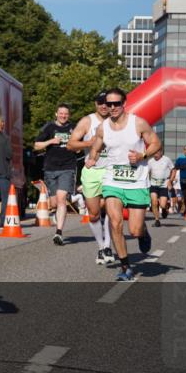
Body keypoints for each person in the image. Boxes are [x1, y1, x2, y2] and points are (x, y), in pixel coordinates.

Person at [86, 88, 161, 282]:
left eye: (116, 104)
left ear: (124, 103)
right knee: (115, 222)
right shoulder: (103, 127)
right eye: (108, 104)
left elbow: (155, 143)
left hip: (136, 182)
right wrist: (92, 158)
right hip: (112, 181)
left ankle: (143, 232)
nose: (112, 107)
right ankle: (125, 266)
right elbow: (96, 146)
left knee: (134, 230)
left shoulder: (138, 123)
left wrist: (142, 155)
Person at [66, 92, 114, 264]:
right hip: (92, 171)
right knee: (93, 214)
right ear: (95, 104)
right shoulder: (87, 121)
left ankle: (108, 246)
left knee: (111, 209)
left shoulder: (118, 120)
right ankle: (101, 247)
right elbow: (71, 144)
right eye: (100, 103)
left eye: (107, 103)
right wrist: (90, 143)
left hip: (112, 170)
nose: (104, 106)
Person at [34, 104, 79, 246]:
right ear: (56, 114)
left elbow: (80, 145)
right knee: (53, 203)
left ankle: (59, 232)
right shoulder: (49, 128)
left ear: (69, 115)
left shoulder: (74, 128)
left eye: (66, 114)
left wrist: (77, 148)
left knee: (61, 199)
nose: (63, 116)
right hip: (50, 168)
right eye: (61, 113)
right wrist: (51, 141)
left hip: (67, 167)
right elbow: (36, 146)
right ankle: (57, 214)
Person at [147, 149, 176, 227]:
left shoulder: (167, 159)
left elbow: (173, 170)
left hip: (164, 185)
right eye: (154, 152)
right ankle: (157, 220)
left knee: (162, 205)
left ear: (161, 152)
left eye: (156, 152)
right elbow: (146, 172)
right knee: (154, 202)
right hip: (153, 184)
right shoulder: (150, 161)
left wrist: (171, 180)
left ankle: (164, 209)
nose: (155, 154)